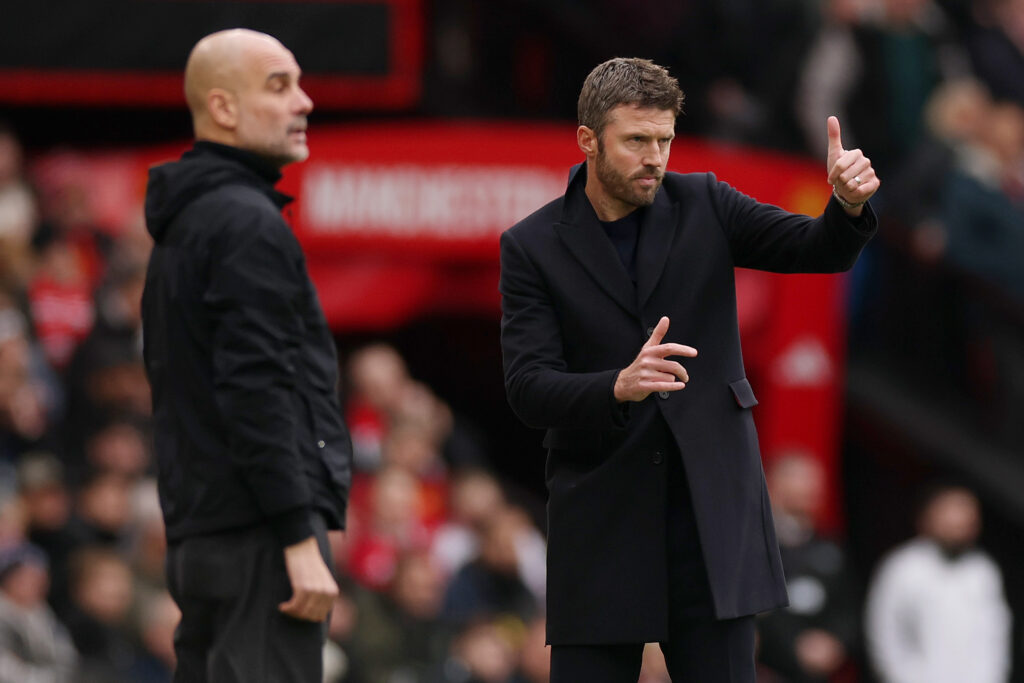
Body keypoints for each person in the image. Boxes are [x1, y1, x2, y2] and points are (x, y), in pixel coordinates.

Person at [498, 57, 879, 682]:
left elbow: (816, 249)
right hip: (602, 522)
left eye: (665, 140)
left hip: (713, 520)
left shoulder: (706, 200)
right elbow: (528, 388)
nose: (655, 157)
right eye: (636, 140)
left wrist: (846, 206)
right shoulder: (532, 246)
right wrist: (617, 385)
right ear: (588, 140)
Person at [141, 29, 353, 682]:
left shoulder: (189, 221)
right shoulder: (245, 222)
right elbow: (255, 389)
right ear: (223, 108)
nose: (305, 102)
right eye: (279, 85)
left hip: (204, 536)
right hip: (259, 537)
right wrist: (295, 534)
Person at [864, 484, 1011, 683]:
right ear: (929, 517)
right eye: (951, 513)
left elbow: (996, 634)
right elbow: (884, 630)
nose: (959, 522)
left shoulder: (982, 570)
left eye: (966, 514)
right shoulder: (903, 566)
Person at [757, 454, 859, 682]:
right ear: (775, 482)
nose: (813, 488)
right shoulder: (754, 543)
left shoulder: (829, 547)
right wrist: (794, 643)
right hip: (763, 668)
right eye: (802, 479)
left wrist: (834, 642)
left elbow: (847, 607)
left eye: (817, 481)